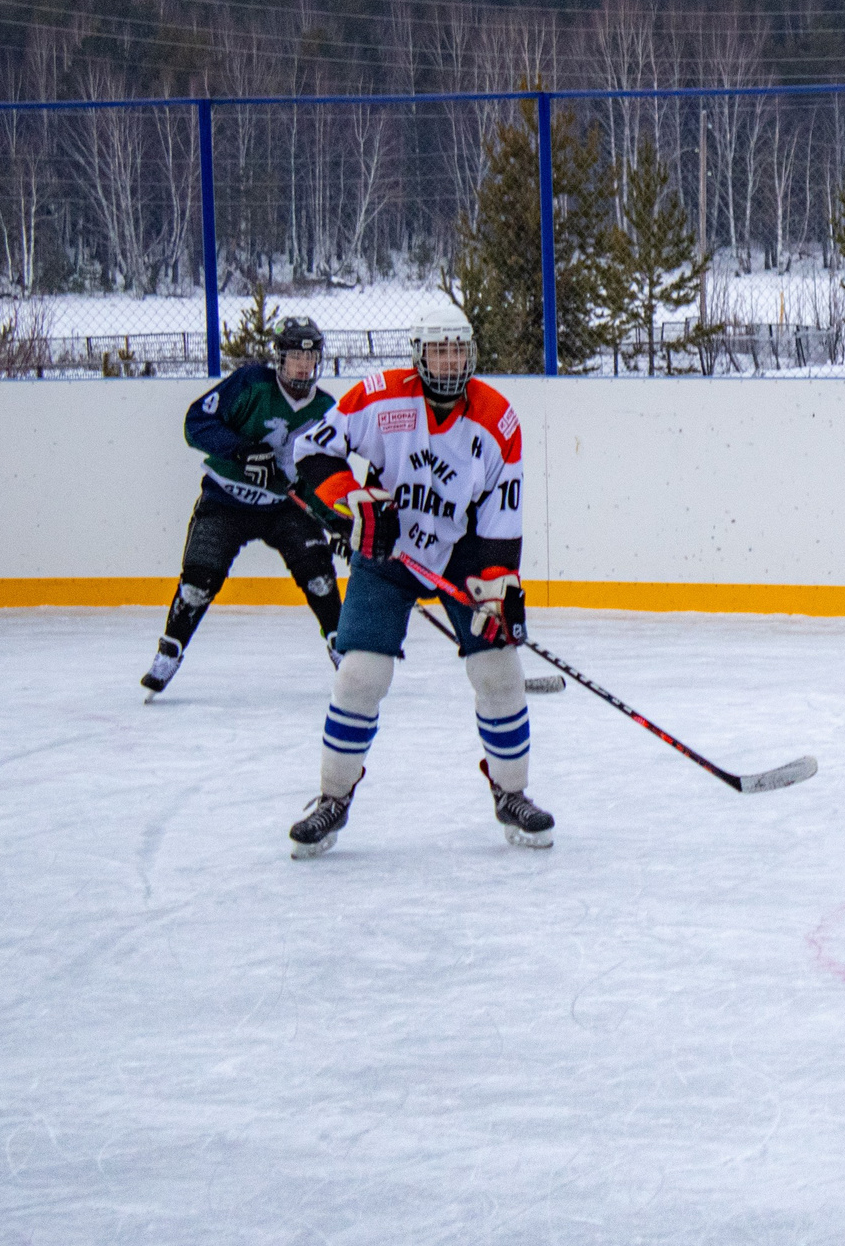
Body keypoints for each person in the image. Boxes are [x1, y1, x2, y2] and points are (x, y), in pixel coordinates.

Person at [283, 309, 554, 857]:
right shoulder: (381, 397)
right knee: (361, 675)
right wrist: (353, 499)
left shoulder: (498, 420)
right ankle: (332, 798)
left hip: (461, 555)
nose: (449, 363)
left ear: (471, 356)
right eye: (439, 351)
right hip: (387, 554)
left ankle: (512, 794)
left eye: (458, 351)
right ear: (419, 356)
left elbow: (504, 513)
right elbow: (311, 448)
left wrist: (498, 584)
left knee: (499, 672)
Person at [140, 317, 342, 698]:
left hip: (285, 507)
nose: (303, 364)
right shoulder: (251, 383)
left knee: (319, 577)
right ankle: (170, 650)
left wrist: (339, 522)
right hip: (226, 499)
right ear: (280, 358)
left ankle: (342, 649)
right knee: (198, 582)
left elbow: (324, 473)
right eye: (295, 355)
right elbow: (196, 423)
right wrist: (242, 450)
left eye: (310, 355)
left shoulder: (326, 407)